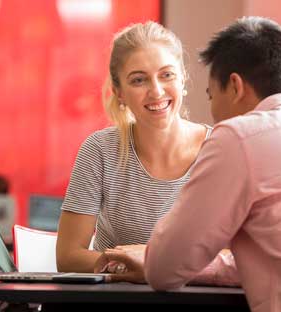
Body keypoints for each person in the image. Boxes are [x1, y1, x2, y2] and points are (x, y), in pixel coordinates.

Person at [96, 16, 281, 312]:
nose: (214, 111)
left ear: (235, 86)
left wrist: (150, 256)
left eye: (211, 94)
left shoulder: (237, 137)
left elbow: (163, 270)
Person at [56, 21, 238, 285]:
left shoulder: (224, 149)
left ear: (183, 78)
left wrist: (152, 261)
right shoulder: (99, 150)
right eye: (139, 80)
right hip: (119, 301)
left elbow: (239, 255)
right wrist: (132, 267)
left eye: (166, 75)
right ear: (119, 92)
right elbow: (68, 256)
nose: (156, 91)